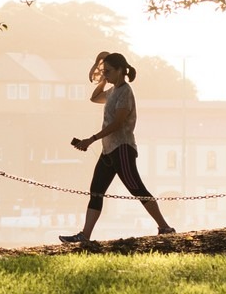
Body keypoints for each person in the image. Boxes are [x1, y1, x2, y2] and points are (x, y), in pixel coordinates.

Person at [60, 51, 176, 244]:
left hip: (122, 148)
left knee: (136, 188)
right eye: (104, 71)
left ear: (121, 70)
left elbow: (118, 123)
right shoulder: (113, 91)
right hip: (108, 150)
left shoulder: (125, 92)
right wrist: (102, 74)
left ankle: (165, 227)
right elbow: (95, 97)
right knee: (96, 191)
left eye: (109, 71)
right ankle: (85, 235)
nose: (106, 74)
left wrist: (91, 139)